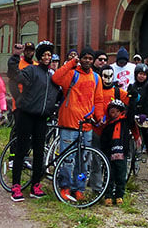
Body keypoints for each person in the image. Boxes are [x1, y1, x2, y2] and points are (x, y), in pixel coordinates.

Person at [8, 40, 59, 202]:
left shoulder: (52, 75)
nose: (47, 57)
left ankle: (35, 185)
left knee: (39, 152)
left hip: (42, 117)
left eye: (49, 55)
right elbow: (15, 77)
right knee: (22, 150)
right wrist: (15, 57)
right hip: (26, 114)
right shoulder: (31, 70)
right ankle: (16, 186)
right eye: (44, 54)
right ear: (39, 56)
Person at [52, 47, 104, 202]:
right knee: (68, 159)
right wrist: (71, 63)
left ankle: (79, 189)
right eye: (84, 58)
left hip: (86, 125)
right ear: (80, 59)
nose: (87, 60)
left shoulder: (96, 78)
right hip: (69, 123)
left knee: (83, 160)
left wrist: (99, 117)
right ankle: (65, 187)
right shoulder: (72, 74)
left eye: (90, 58)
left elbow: (99, 99)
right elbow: (56, 78)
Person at [127, 64, 148, 183]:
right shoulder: (132, 86)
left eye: (144, 74)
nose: (142, 76)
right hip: (135, 116)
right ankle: (130, 164)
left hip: (146, 117)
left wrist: (146, 114)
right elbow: (130, 101)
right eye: (140, 74)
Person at [98, 99, 131, 205]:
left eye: (116, 111)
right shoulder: (107, 126)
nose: (114, 113)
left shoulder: (125, 123)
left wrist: (133, 99)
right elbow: (103, 140)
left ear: (121, 112)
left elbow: (132, 113)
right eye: (111, 111)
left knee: (121, 175)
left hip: (122, 153)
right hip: (109, 154)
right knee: (109, 175)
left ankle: (119, 195)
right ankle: (108, 195)